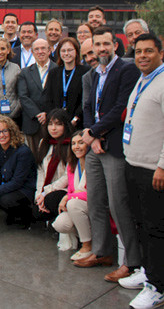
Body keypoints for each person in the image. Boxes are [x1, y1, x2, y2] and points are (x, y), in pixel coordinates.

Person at [75, 26, 141, 284]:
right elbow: (88, 106)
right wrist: (92, 136)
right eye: (96, 46)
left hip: (113, 146)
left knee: (118, 204)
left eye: (105, 44)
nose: (100, 50)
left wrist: (94, 132)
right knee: (96, 201)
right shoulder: (93, 74)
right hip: (95, 146)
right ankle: (102, 252)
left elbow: (120, 107)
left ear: (115, 44)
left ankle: (132, 261)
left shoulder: (127, 69)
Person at [121, 33, 164, 306]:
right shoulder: (143, 78)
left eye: (149, 51)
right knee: (140, 224)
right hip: (133, 163)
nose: (142, 56)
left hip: (153, 170)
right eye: (138, 52)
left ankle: (158, 286)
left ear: (160, 52)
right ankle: (147, 271)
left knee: (155, 229)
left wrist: (162, 165)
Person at [0, 116, 37, 228]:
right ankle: (13, 214)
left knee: (4, 200)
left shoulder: (23, 151)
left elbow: (18, 181)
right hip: (8, 186)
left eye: (5, 131)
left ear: (12, 131)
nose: (1, 135)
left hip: (24, 189)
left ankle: (26, 215)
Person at [53, 131, 92, 261]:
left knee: (73, 203)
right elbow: (71, 190)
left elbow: (94, 193)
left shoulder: (94, 164)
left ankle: (87, 246)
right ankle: (84, 234)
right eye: (74, 143)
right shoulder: (72, 165)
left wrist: (67, 198)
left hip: (92, 205)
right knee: (61, 224)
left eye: (81, 143)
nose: (77, 147)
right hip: (79, 204)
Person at [16, 38, 56, 154]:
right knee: (33, 158)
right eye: (36, 49)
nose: (40, 51)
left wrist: (47, 114)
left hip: (52, 121)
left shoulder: (57, 70)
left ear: (49, 51)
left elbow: (58, 96)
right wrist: (37, 114)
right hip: (32, 121)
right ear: (32, 53)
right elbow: (23, 96)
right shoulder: (25, 72)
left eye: (43, 48)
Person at [33, 109, 72, 223]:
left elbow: (67, 176)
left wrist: (46, 192)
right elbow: (41, 171)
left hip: (65, 189)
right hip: (47, 190)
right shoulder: (44, 143)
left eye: (58, 124)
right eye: (50, 124)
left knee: (50, 200)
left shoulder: (71, 144)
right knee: (35, 211)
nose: (53, 128)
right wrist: (39, 195)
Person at [41, 37, 90, 127]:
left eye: (70, 50)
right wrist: (54, 118)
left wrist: (76, 118)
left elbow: (86, 99)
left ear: (76, 51)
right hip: (56, 123)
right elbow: (47, 97)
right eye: (63, 51)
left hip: (77, 122)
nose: (66, 53)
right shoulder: (54, 72)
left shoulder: (85, 72)